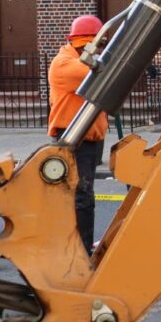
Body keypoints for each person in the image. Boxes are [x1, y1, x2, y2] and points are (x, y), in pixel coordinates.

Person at [47, 15, 108, 253]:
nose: (99, 51)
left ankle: (80, 248)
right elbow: (101, 72)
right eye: (97, 46)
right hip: (72, 139)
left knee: (83, 196)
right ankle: (80, 251)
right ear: (83, 44)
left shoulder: (78, 59)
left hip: (88, 140)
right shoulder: (65, 64)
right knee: (80, 197)